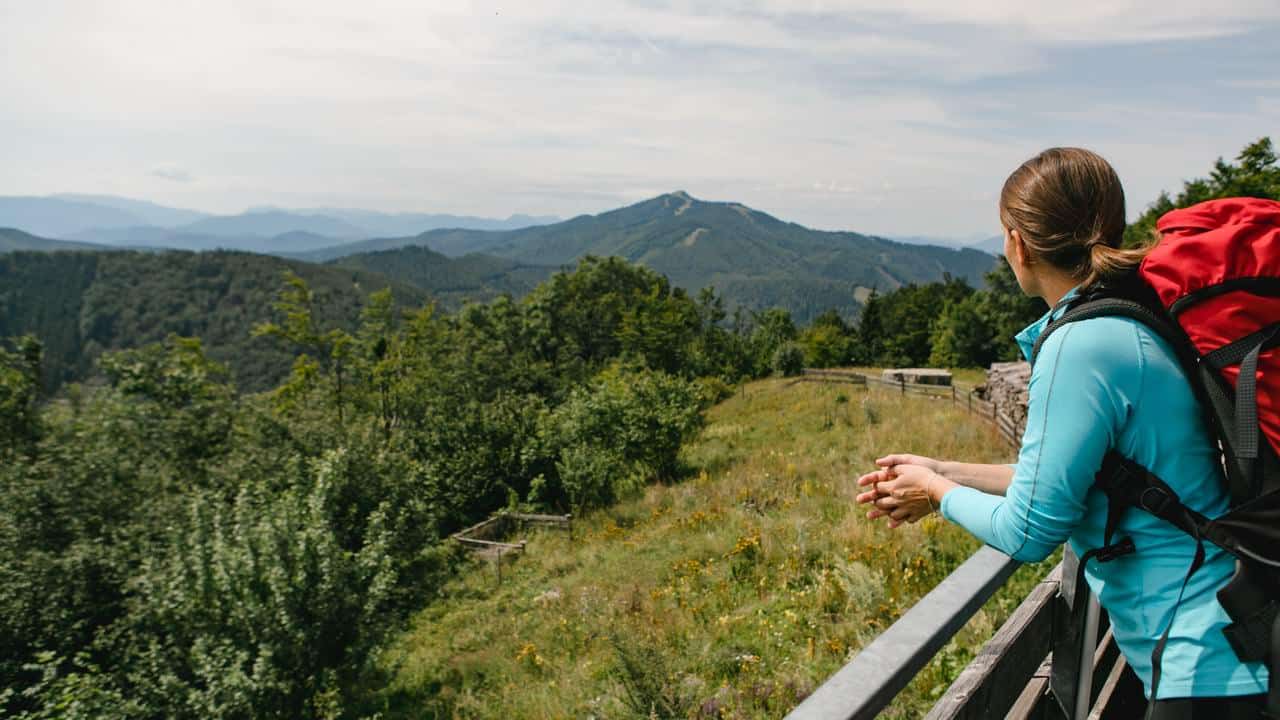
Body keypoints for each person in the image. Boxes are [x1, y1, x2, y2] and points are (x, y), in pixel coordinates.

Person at [855, 148, 1270, 719]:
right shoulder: (1127, 317)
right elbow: (1072, 478)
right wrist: (944, 470)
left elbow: (1028, 531)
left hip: (1201, 658)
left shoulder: (1082, 347)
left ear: (1017, 244)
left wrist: (936, 493)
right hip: (1216, 635)